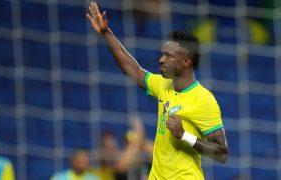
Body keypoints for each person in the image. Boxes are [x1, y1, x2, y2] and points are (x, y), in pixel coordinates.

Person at [86, 1, 229, 179]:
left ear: (186, 61)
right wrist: (106, 33)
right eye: (162, 54)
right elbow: (133, 70)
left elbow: (222, 153)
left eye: (168, 56)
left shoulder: (203, 99)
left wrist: (184, 135)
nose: (161, 60)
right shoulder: (163, 85)